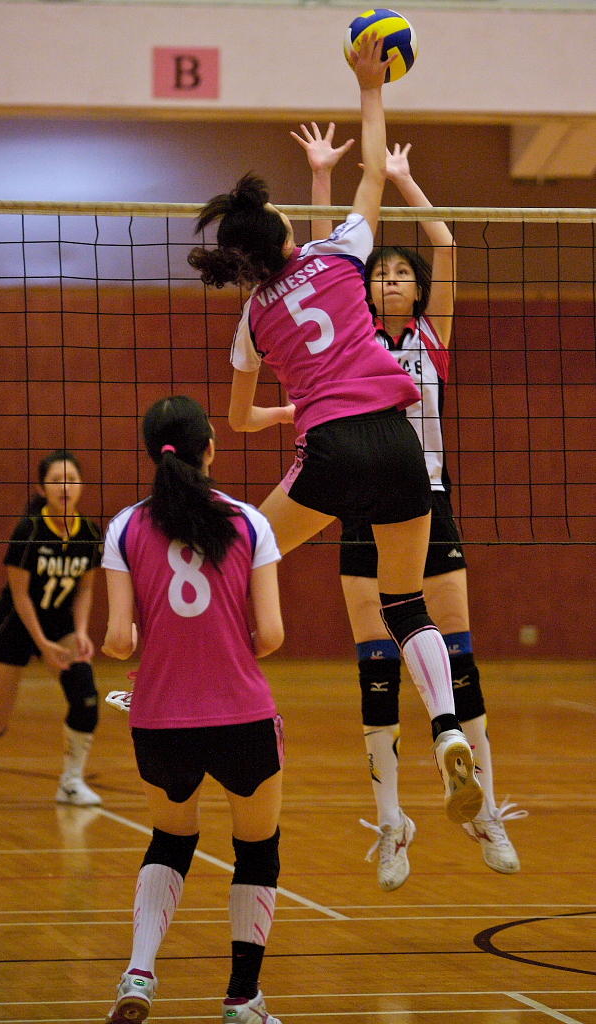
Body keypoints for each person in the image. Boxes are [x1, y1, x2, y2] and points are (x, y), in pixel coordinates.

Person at [187, 34, 484, 837]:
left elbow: (238, 420)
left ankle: (209, 693)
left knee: (242, 551)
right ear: (285, 235)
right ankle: (446, 730)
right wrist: (370, 88)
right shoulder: (340, 255)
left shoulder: (253, 318)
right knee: (404, 602)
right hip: (397, 443)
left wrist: (289, 412)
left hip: (328, 449)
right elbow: (372, 171)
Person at [293, 121, 526, 890]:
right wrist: (322, 177)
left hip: (429, 498)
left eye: (401, 274)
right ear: (364, 288)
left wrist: (399, 180)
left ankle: (483, 808)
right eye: (380, 273)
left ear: (417, 290)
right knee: (376, 667)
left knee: (458, 657)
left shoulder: (432, 335)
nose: (389, 280)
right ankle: (392, 821)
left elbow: (447, 244)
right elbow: (322, 257)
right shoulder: (349, 338)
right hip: (361, 500)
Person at [102, 395, 285, 1024]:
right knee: (256, 848)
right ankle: (242, 999)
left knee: (171, 840)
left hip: (160, 720)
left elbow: (119, 641)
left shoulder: (124, 527)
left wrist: (151, 645)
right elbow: (272, 635)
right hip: (242, 715)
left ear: (154, 453)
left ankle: (139, 971)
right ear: (210, 447)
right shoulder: (250, 522)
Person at [0, 449, 104, 806]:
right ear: (42, 488)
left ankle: (70, 782)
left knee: (86, 699)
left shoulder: (88, 531)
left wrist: (81, 631)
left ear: (81, 485)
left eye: (71, 480)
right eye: (56, 481)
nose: (65, 487)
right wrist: (42, 644)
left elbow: (85, 588)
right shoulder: (30, 530)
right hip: (12, 629)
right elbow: (20, 595)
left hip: (59, 625)